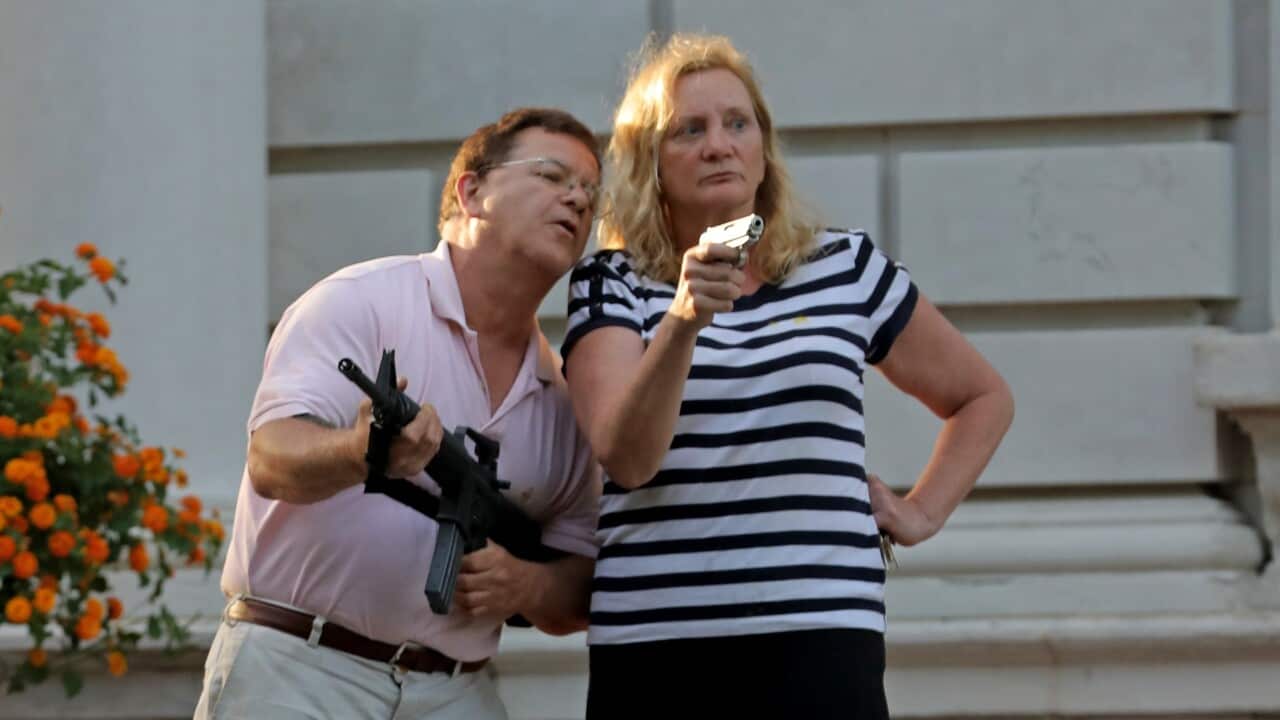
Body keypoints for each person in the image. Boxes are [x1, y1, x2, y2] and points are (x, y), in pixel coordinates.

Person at [561, 34, 1015, 718]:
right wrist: (684, 319)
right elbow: (627, 459)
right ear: (649, 161)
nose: (719, 144)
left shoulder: (844, 267)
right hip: (662, 644)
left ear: (763, 147)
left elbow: (983, 397)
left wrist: (919, 512)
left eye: (737, 123)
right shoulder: (612, 283)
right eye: (690, 129)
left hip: (823, 636)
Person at [194, 107, 603, 720]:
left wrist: (526, 586)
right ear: (472, 191)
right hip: (300, 670)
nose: (577, 199)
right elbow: (271, 458)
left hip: (455, 688)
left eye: (590, 193)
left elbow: (582, 578)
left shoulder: (563, 395)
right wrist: (361, 451)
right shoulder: (361, 303)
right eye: (550, 175)